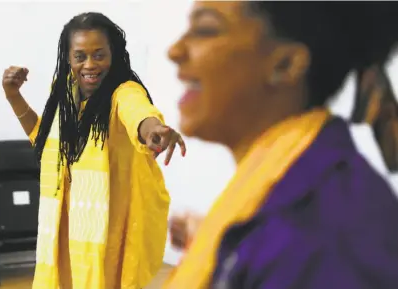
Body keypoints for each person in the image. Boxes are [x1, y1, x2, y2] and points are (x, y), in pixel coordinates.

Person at [165, 2, 398, 289]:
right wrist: (215, 238)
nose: (174, 51)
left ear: (285, 64)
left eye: (206, 29)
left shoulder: (323, 235)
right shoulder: (288, 192)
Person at [2, 12, 186, 289]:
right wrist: (13, 96)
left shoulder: (122, 92)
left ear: (114, 54)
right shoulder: (64, 93)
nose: (90, 64)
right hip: (63, 224)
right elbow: (44, 140)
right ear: (68, 58)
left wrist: (153, 130)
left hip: (105, 228)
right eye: (80, 56)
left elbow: (138, 113)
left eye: (99, 55)